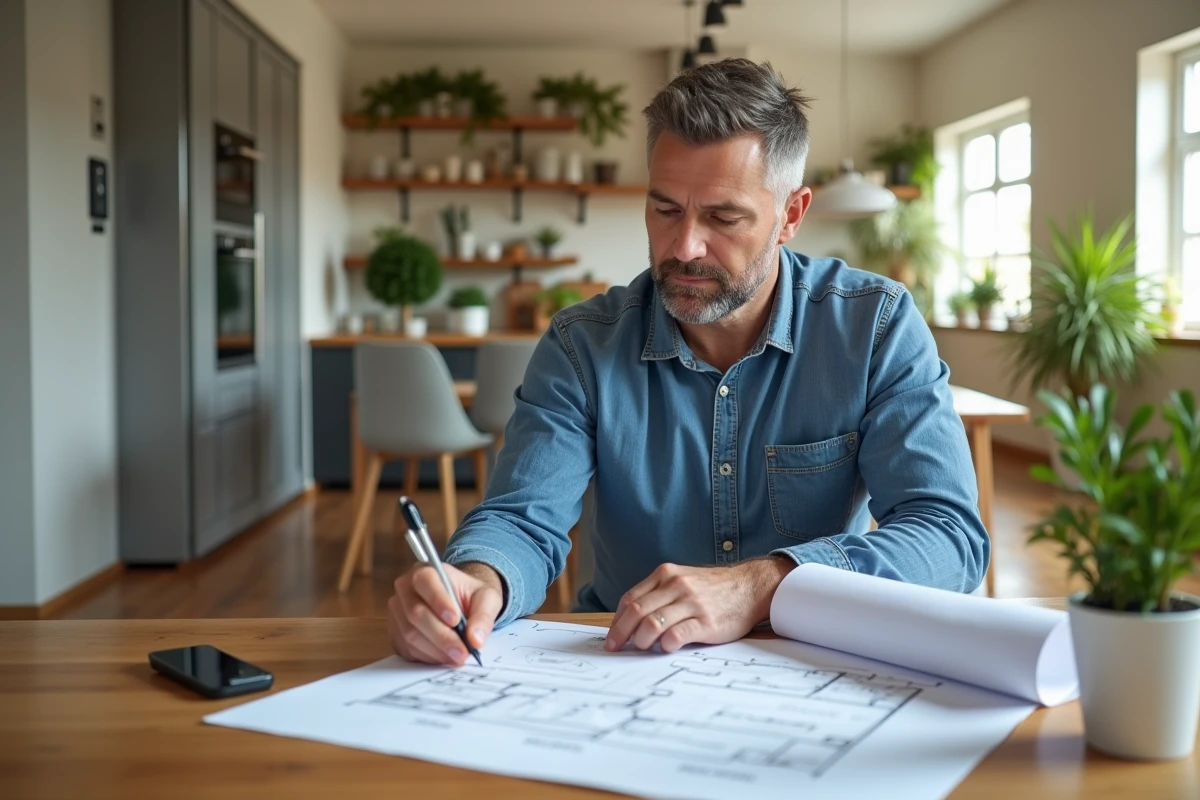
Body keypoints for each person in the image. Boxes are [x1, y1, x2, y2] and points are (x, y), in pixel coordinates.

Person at [386, 58, 989, 667]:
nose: (683, 248)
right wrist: (477, 579)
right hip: (625, 661)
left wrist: (763, 586)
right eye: (665, 209)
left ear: (792, 215)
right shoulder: (581, 345)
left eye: (724, 218)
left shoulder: (873, 326)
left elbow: (949, 537)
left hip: (812, 659)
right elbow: (522, 518)